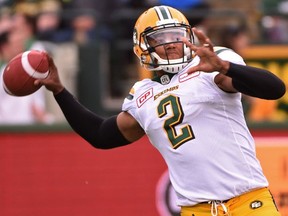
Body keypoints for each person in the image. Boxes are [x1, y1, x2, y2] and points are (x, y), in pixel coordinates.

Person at [36, 5, 286, 216]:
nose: (171, 44)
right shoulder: (142, 95)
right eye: (160, 39)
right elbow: (100, 134)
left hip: (248, 202)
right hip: (195, 210)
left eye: (177, 36)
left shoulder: (209, 65)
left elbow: (275, 89)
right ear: (142, 47)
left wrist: (226, 67)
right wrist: (59, 91)